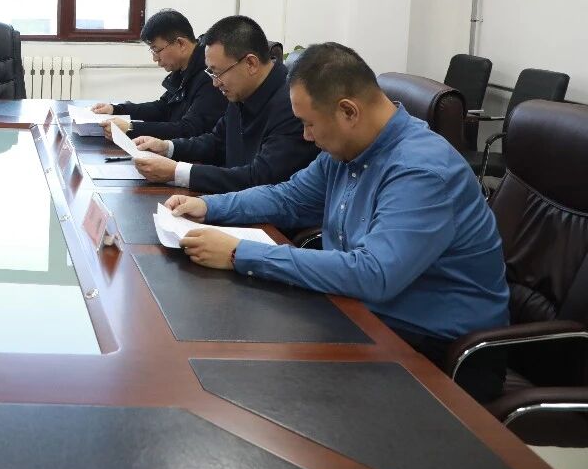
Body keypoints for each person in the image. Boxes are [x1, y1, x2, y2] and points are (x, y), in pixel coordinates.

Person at [169, 42, 510, 402]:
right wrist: (208, 206)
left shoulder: (421, 171)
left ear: (348, 111)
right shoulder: (351, 148)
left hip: (437, 350)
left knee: (268, 388)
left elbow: (373, 274)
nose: (306, 136)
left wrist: (239, 253)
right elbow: (290, 197)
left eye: (309, 124)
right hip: (363, 315)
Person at [130, 14, 317, 193]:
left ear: (251, 63)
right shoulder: (241, 90)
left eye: (217, 72)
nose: (215, 83)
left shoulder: (292, 105)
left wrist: (177, 172)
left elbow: (260, 178)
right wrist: (168, 147)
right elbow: (216, 142)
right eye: (211, 73)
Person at [90, 8, 226, 140]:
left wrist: (131, 128)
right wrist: (116, 109)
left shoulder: (211, 75)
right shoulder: (183, 68)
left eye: (156, 50)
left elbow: (190, 130)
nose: (155, 58)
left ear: (181, 44)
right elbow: (164, 108)